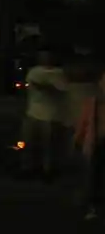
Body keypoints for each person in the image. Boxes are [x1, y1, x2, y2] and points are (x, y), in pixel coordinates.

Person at [22, 50, 70, 178]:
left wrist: (45, 87)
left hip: (50, 115)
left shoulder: (58, 74)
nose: (45, 58)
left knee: (48, 145)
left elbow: (62, 91)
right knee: (30, 143)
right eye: (42, 56)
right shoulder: (34, 71)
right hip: (33, 113)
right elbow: (28, 88)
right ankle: (30, 168)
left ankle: (47, 171)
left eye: (47, 56)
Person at [76, 68, 105, 220]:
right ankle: (93, 205)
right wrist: (78, 139)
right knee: (95, 175)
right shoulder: (93, 102)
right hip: (97, 142)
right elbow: (84, 122)